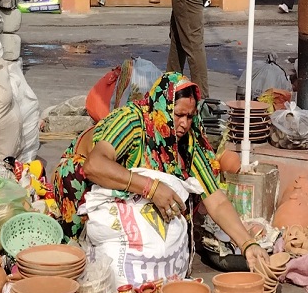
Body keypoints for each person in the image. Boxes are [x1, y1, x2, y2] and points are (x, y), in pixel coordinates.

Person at [52, 72, 270, 271]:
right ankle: (79, 251)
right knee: (74, 173)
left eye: (190, 116)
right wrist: (151, 188)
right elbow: (94, 166)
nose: (184, 123)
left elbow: (216, 199)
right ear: (162, 108)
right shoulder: (132, 121)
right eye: (178, 115)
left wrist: (247, 244)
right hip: (91, 183)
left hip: (130, 191)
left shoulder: (187, 140)